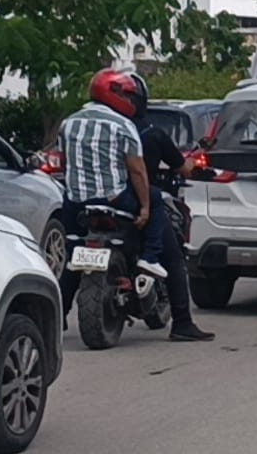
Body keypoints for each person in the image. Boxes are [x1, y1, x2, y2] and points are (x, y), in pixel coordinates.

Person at [58, 70, 214, 342]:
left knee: (74, 257)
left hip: (76, 202)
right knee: (173, 254)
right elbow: (139, 172)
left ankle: (55, 317)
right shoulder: (128, 127)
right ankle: (180, 318)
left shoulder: (69, 123)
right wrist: (143, 207)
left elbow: (64, 162)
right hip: (117, 200)